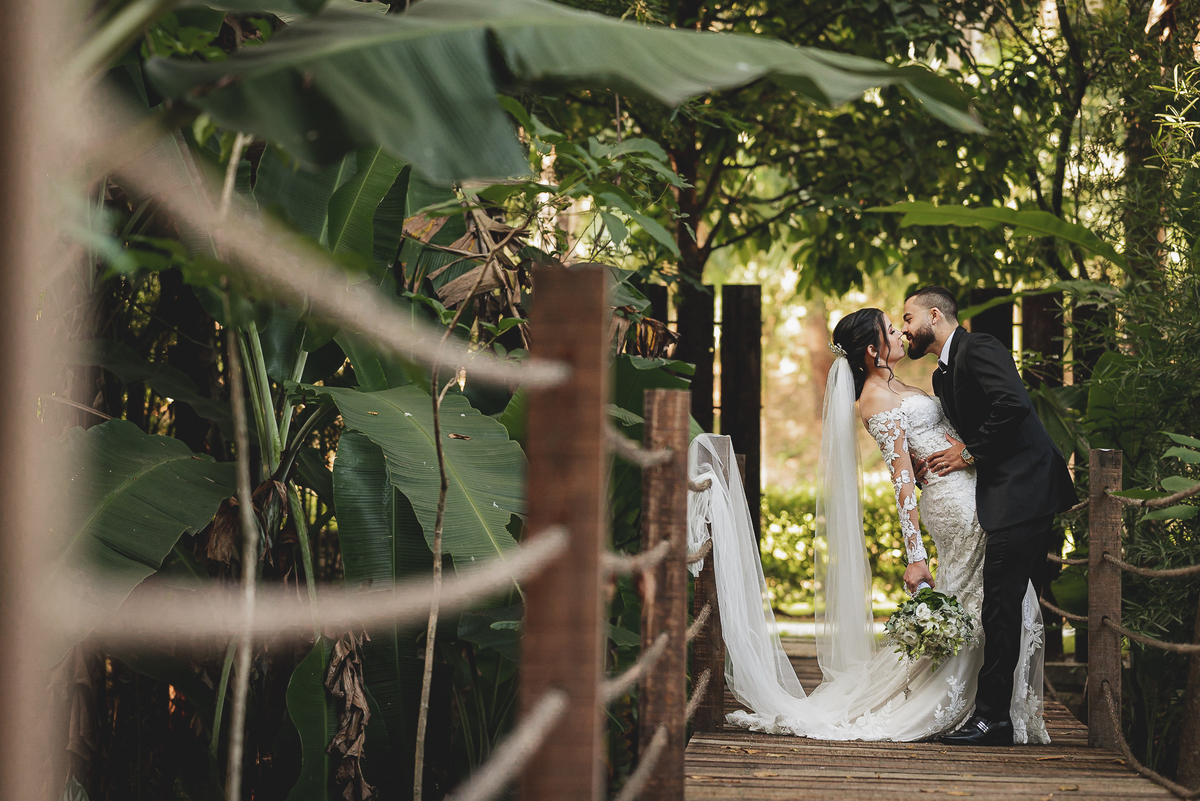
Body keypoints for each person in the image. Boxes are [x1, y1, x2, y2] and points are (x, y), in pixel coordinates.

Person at [687, 307, 1049, 743]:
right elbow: (900, 482)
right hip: (953, 504)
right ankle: (974, 706)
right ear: (874, 351)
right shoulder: (875, 398)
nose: (900, 333)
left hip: (972, 490)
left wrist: (963, 448)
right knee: (984, 596)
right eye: (891, 330)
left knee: (989, 595)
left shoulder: (905, 384)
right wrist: (916, 557)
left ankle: (988, 707)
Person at [901, 286, 1076, 746]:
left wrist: (970, 454)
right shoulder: (942, 376)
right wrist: (935, 459)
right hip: (1000, 494)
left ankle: (993, 718)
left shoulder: (980, 347)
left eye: (908, 318)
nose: (904, 329)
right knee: (999, 603)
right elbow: (962, 430)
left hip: (1025, 489)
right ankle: (993, 714)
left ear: (934, 316)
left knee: (1000, 602)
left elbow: (1012, 406)